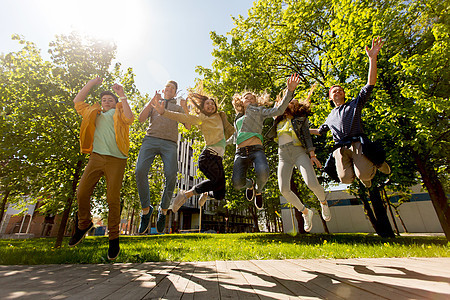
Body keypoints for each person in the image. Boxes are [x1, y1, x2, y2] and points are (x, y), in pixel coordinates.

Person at [68, 77, 134, 261]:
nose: (107, 101)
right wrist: (91, 83)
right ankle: (84, 224)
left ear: (114, 103)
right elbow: (77, 101)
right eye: (104, 99)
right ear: (100, 102)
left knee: (112, 198)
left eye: (110, 100)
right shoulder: (93, 112)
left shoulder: (119, 112)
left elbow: (130, 118)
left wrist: (122, 96)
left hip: (117, 159)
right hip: (96, 157)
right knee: (81, 192)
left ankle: (113, 238)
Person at [310, 37, 390, 188]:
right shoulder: (330, 116)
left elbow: (370, 83)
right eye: (334, 91)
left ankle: (376, 163)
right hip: (340, 148)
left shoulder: (355, 104)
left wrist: (372, 59)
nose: (338, 92)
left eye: (340, 90)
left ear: (344, 94)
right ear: (330, 96)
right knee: (345, 179)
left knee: (364, 174)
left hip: (357, 143)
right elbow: (320, 131)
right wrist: (302, 130)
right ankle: (362, 172)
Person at [151, 93, 235, 212]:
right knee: (217, 182)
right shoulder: (202, 119)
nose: (210, 105)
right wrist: (164, 112)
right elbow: (185, 118)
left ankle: (205, 192)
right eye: (207, 104)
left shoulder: (219, 116)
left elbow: (230, 131)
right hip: (208, 157)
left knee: (220, 194)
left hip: (218, 159)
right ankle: (186, 194)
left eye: (212, 103)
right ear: (203, 108)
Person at [231, 74, 300, 210]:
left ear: (256, 102)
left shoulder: (259, 111)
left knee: (263, 172)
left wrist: (289, 91)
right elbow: (234, 137)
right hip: (240, 152)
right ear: (241, 102)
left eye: (253, 98)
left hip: (256, 149)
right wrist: (220, 144)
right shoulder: (237, 118)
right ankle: (250, 184)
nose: (250, 99)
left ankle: (259, 189)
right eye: (247, 98)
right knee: (237, 183)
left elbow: (278, 110)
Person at [267, 84, 330, 232]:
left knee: (312, 184)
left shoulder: (300, 119)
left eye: (295, 104)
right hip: (282, 155)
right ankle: (305, 212)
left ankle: (324, 203)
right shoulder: (277, 118)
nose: (292, 104)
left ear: (298, 108)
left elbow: (307, 137)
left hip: (299, 152)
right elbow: (273, 111)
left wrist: (312, 155)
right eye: (290, 102)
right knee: (283, 189)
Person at [135, 81, 189, 234]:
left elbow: (188, 125)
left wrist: (185, 107)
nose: (170, 89)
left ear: (175, 92)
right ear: (164, 89)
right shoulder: (156, 102)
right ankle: (146, 210)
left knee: (171, 175)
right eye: (168, 87)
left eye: (173, 88)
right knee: (140, 171)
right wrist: (152, 101)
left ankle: (163, 210)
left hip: (170, 144)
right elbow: (141, 118)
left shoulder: (177, 107)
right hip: (150, 139)